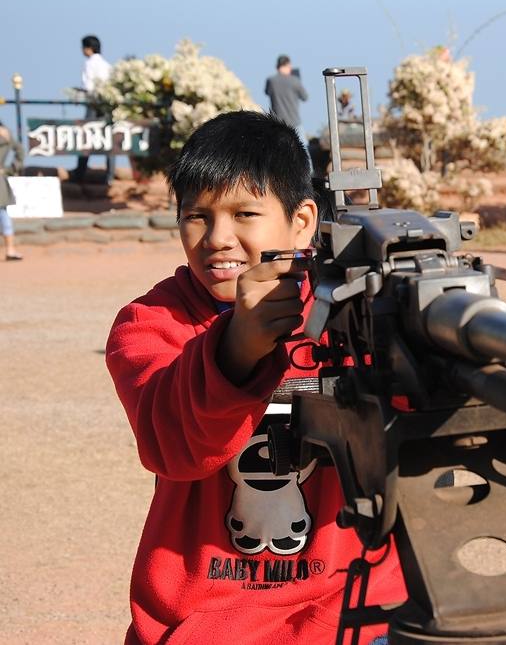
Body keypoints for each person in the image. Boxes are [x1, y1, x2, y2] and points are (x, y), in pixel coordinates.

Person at [105, 111, 405, 644]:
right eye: (196, 216)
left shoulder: (356, 313)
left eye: (245, 213)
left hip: (354, 609)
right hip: (207, 621)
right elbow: (171, 444)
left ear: (302, 221)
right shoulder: (150, 324)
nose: (218, 238)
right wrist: (236, 348)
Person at [70, 35, 112, 183]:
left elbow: (88, 87)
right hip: (107, 104)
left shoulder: (89, 63)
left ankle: (80, 172)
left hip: (93, 104)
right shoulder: (107, 65)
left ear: (88, 48)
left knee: (86, 136)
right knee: (108, 138)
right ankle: (110, 175)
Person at [265, 55, 309, 138]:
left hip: (277, 123)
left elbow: (267, 92)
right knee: (302, 148)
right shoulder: (295, 80)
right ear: (287, 65)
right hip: (294, 122)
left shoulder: (271, 81)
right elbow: (305, 97)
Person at [0, 119, 25, 260]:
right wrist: (11, 169)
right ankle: (10, 249)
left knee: (3, 214)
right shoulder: (6, 133)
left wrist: (10, 169)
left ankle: (10, 249)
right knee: (3, 215)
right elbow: (20, 151)